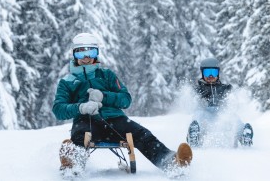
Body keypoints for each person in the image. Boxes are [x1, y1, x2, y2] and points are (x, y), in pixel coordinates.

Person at [53, 33, 192, 173]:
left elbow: (126, 99)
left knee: (142, 134)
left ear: (96, 53)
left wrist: (104, 96)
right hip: (86, 121)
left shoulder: (107, 75)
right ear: (74, 55)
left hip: (114, 119)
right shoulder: (67, 81)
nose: (86, 58)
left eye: (90, 52)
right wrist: (81, 107)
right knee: (79, 137)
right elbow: (58, 109)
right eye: (80, 53)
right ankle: (72, 164)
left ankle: (171, 162)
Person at [187, 57, 253, 147]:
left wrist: (230, 101)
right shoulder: (198, 90)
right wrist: (198, 99)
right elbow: (192, 104)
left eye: (213, 73)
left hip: (221, 115)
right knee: (198, 115)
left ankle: (244, 136)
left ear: (218, 73)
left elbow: (233, 102)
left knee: (234, 117)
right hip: (206, 116)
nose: (210, 76)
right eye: (207, 73)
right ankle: (194, 137)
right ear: (202, 73)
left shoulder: (225, 88)